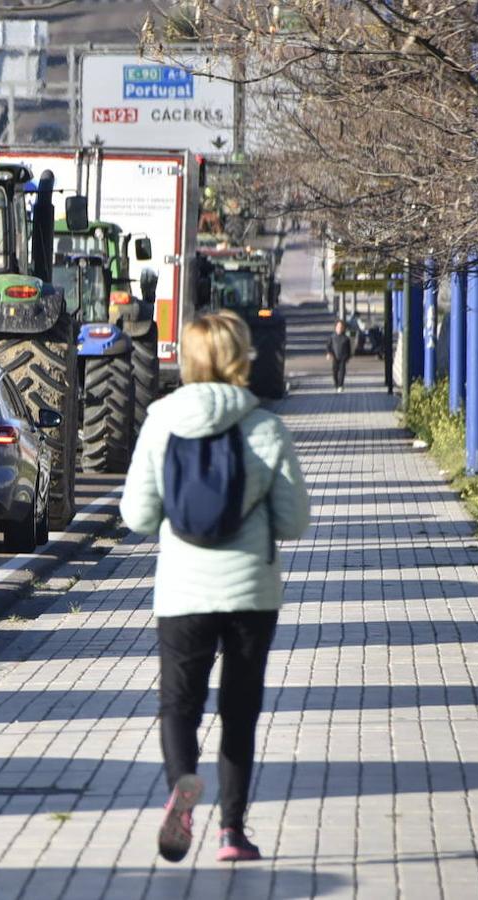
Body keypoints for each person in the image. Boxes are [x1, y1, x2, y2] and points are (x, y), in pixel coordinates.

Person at [120, 311, 310, 864]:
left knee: (179, 705)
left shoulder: (161, 421)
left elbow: (135, 514)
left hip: (183, 590)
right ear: (240, 356)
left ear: (189, 357)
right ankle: (232, 833)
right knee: (240, 709)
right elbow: (295, 520)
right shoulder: (265, 427)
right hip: (252, 591)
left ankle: (183, 783)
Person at [327, 319, 353, 391]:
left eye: (341, 327)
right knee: (335, 371)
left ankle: (340, 385)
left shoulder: (346, 338)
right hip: (335, 356)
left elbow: (349, 349)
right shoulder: (332, 337)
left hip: (343, 357)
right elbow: (328, 346)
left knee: (342, 371)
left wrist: (348, 357)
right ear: (335, 328)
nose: (339, 329)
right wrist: (329, 353)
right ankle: (336, 384)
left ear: (344, 328)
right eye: (338, 327)